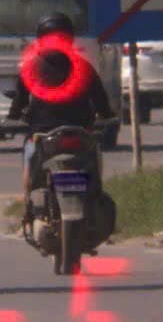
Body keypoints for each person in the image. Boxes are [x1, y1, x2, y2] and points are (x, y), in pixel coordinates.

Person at [7, 13, 115, 229]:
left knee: (29, 161)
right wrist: (106, 116)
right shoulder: (83, 66)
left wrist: (12, 116)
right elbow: (101, 100)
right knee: (94, 161)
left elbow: (18, 101)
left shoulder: (30, 67)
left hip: (42, 133)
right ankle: (93, 197)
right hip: (80, 131)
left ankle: (29, 209)